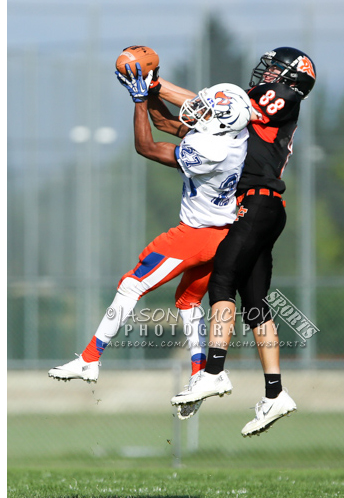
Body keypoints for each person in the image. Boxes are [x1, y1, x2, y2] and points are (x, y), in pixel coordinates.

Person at [48, 61, 252, 412]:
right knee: (187, 303)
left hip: (195, 235)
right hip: (222, 235)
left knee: (130, 286)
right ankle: (201, 375)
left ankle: (90, 359)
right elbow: (164, 122)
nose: (196, 110)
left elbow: (147, 145)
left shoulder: (210, 150)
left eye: (207, 110)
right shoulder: (233, 137)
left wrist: (140, 100)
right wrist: (150, 88)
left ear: (221, 122)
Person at [152, 47, 317, 436]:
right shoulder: (247, 116)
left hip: (255, 204)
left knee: (222, 281)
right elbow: (185, 119)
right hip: (264, 207)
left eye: (273, 69)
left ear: (289, 79)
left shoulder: (285, 98)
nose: (264, 73)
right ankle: (275, 394)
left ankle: (213, 371)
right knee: (255, 302)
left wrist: (156, 84)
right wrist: (149, 96)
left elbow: (207, 103)